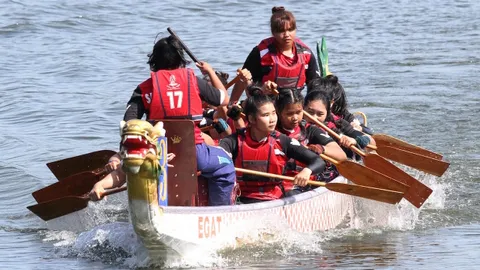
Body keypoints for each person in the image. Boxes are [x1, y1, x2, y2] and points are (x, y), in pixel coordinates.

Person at [90, 35, 237, 206]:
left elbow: (128, 126)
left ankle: (101, 185)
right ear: (180, 60)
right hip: (195, 153)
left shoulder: (143, 89)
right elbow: (223, 99)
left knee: (131, 164)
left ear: (154, 61)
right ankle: (218, 211)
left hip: (155, 152)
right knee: (226, 163)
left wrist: (120, 155)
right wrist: (210, 72)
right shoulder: (194, 81)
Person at [219, 85, 326, 203]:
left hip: (273, 200)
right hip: (241, 199)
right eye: (266, 115)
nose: (272, 119)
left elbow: (318, 161)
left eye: (274, 113)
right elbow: (216, 161)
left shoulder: (283, 141)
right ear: (252, 119)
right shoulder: (232, 142)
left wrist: (307, 171)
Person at [229, 6, 319, 104]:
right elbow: (242, 79)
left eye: (290, 29)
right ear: (273, 33)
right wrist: (232, 104)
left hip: (294, 106)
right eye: (281, 31)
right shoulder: (261, 53)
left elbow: (315, 87)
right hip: (265, 105)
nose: (287, 35)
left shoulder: (306, 54)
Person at [275, 89, 346, 191]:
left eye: (298, 112)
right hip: (281, 181)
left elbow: (341, 155)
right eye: (289, 113)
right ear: (278, 112)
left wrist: (322, 148)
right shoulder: (271, 132)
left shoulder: (309, 130)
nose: (295, 118)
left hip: (308, 180)